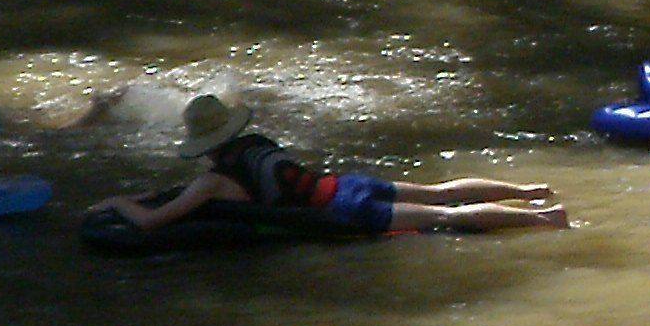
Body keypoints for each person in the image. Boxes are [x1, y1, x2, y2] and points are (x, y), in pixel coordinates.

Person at [96, 96, 569, 236]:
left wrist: (120, 201)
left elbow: (155, 222)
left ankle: (544, 219)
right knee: (440, 191)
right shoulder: (257, 143)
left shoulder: (210, 182)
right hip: (345, 182)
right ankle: (529, 190)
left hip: (343, 209)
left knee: (445, 218)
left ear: (201, 145)